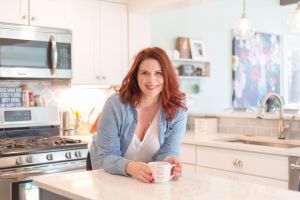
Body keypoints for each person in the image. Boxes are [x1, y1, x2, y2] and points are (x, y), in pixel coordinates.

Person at [90, 47, 188, 183]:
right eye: (144, 73)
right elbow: (106, 157)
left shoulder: (177, 109)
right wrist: (130, 167)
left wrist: (168, 162)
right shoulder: (115, 105)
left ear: (167, 76)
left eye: (158, 73)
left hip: (143, 180)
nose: (151, 80)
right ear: (136, 76)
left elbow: (169, 151)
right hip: (108, 175)